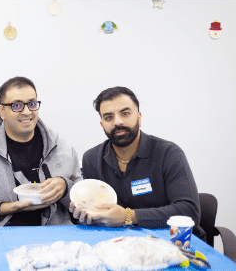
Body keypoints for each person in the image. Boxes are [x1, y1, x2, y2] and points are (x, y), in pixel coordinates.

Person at [73, 87, 201, 229]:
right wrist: (85, 214)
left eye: (125, 113)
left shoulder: (169, 153)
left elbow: (189, 211)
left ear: (139, 118)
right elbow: (96, 213)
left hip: (169, 242)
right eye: (109, 117)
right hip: (118, 244)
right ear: (102, 124)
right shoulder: (91, 159)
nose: (117, 122)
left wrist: (129, 216)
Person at [0, 77, 80, 226]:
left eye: (32, 104)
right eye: (17, 105)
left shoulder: (61, 146)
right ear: (1, 111)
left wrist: (65, 187)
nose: (26, 112)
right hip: (3, 235)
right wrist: (10, 208)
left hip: (55, 234)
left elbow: (82, 195)